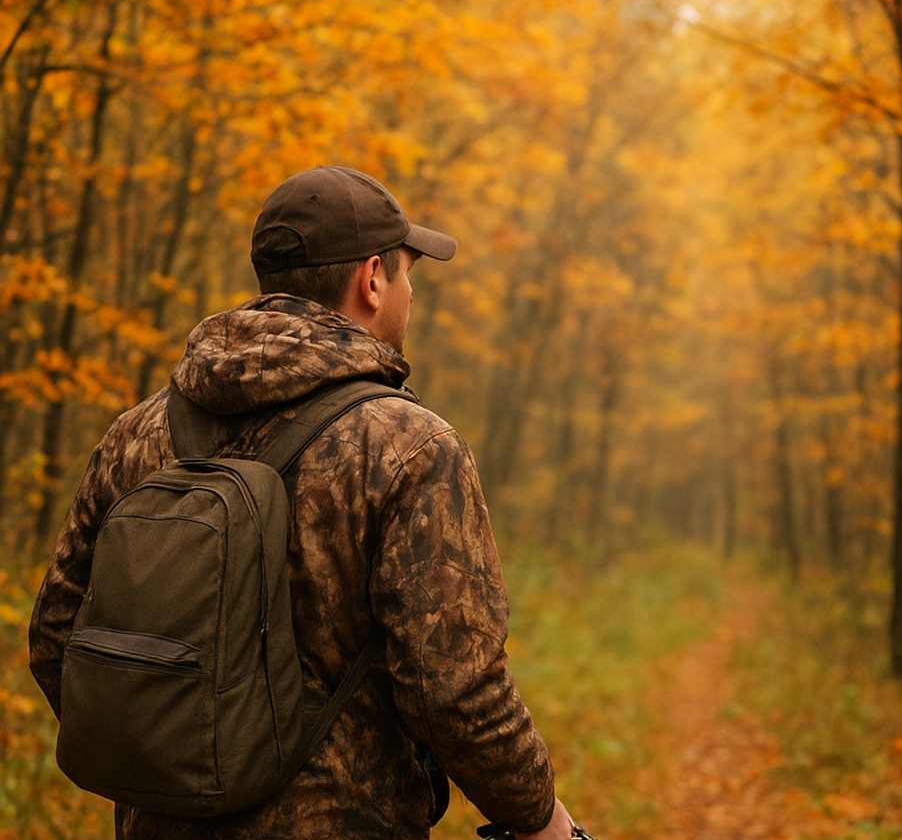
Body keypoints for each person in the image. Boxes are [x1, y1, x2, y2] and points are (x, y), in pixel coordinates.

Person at [29, 166, 576, 840]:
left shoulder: (137, 433)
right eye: (407, 274)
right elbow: (454, 691)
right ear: (372, 279)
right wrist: (537, 817)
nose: (409, 294)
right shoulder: (408, 445)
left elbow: (56, 635)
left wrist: (172, 753)